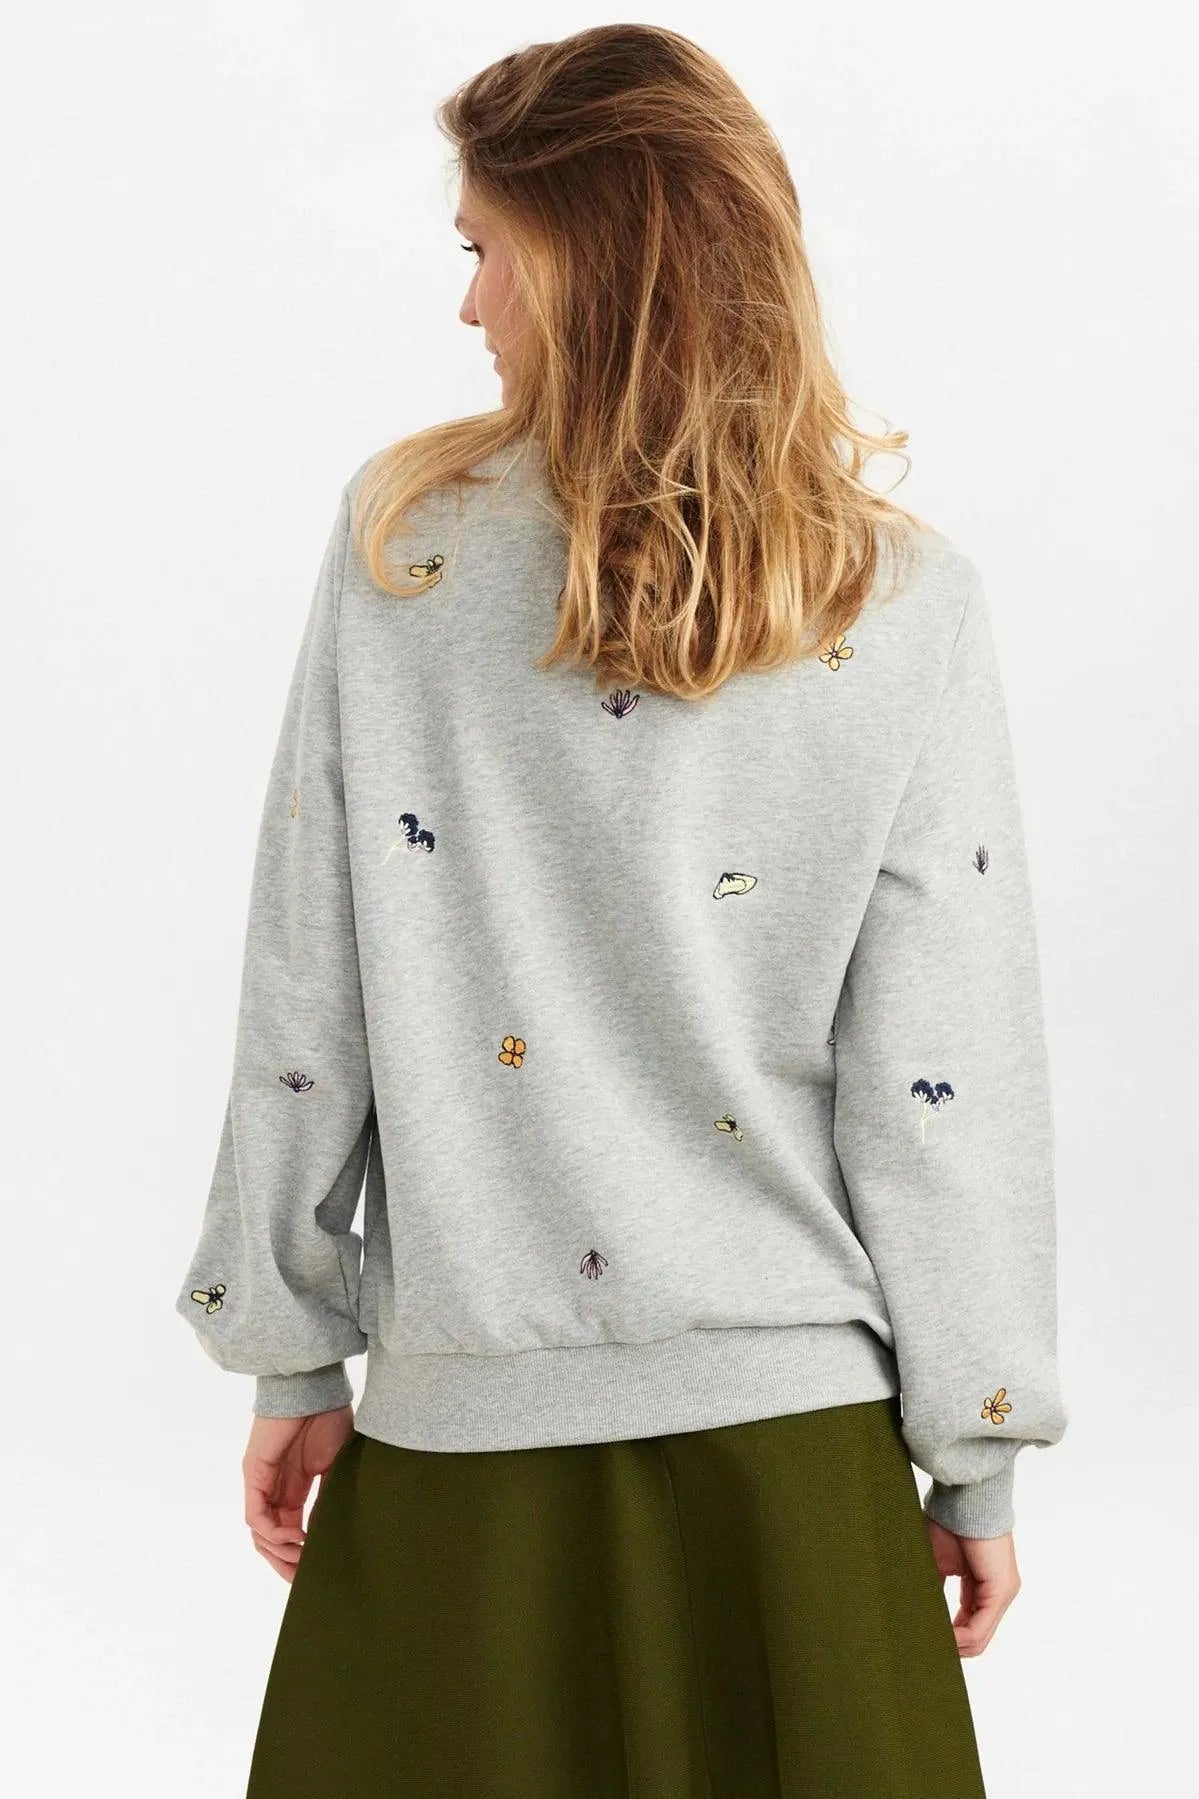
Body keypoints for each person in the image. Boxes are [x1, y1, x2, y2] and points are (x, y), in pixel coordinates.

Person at [175, 22, 1068, 1796]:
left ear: (585, 264)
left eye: (485, 252)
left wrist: (289, 1352)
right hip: (795, 1474)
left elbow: (308, 984)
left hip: (464, 1431)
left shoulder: (406, 546)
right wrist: (977, 1448)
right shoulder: (900, 597)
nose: (469, 307)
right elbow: (943, 1076)